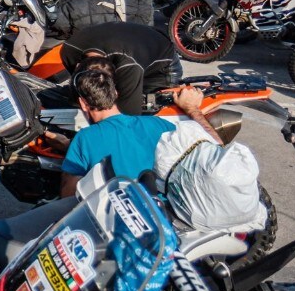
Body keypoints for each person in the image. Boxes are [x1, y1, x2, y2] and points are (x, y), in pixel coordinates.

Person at [59, 60, 218, 197]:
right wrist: (192, 109)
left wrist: (70, 150)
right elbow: (215, 146)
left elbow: (68, 193)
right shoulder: (158, 124)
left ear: (83, 103)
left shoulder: (84, 138)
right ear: (115, 93)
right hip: (165, 214)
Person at [60, 21, 179, 116]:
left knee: (144, 108)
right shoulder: (69, 51)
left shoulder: (128, 66)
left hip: (162, 63)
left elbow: (129, 118)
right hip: (131, 41)